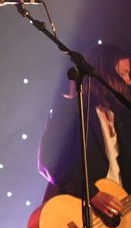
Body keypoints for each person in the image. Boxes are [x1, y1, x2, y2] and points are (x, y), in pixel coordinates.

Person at [38, 44, 130, 218]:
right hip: (81, 214)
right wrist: (92, 194)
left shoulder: (120, 119)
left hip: (118, 219)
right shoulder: (73, 109)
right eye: (124, 73)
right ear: (106, 74)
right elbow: (50, 160)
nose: (129, 81)